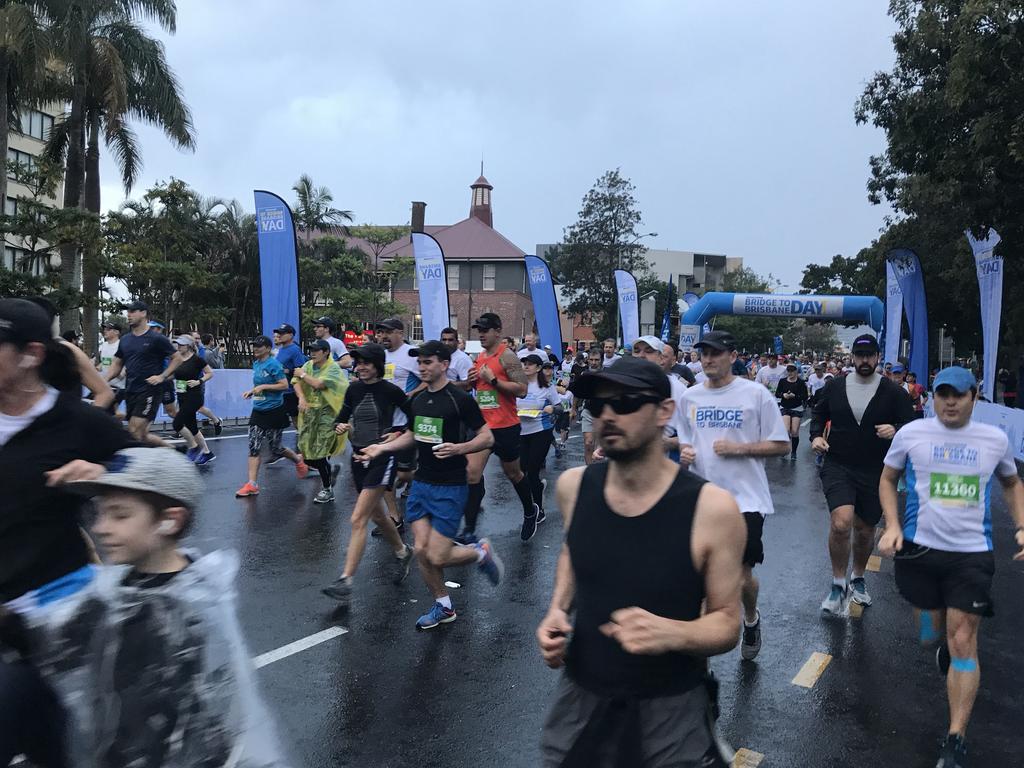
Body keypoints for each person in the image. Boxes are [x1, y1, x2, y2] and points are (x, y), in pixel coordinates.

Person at [537, 355, 746, 766]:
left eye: (627, 402)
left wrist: (672, 633)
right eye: (598, 406)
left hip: (670, 712)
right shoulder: (573, 487)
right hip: (579, 701)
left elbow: (726, 623)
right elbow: (573, 550)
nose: (609, 415)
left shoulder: (712, 509)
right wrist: (558, 610)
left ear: (664, 411)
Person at [39, 447, 289, 765]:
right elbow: (54, 643)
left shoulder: (190, 611)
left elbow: (211, 720)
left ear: (170, 521)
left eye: (120, 515)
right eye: (100, 513)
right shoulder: (116, 591)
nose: (100, 527)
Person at [0, 298, 133, 767]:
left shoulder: (78, 423)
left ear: (31, 354)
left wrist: (101, 472)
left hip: (52, 618)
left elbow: (164, 479)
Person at [877, 367, 1024, 768]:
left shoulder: (993, 439)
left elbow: (1011, 483)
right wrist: (892, 526)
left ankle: (955, 737)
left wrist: (1022, 525)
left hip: (971, 555)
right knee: (930, 633)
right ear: (933, 398)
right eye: (943, 394)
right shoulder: (912, 434)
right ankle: (939, 642)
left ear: (975, 397)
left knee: (963, 641)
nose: (950, 402)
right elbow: (888, 479)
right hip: (920, 552)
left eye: (958, 395)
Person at [354, 340, 503, 630]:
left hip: (451, 486)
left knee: (437, 554)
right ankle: (443, 605)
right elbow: (413, 434)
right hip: (422, 484)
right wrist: (380, 449)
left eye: (428, 362)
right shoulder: (417, 401)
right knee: (421, 550)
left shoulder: (459, 400)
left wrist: (459, 449)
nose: (422, 367)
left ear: (444, 364)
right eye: (419, 363)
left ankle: (480, 552)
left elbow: (487, 438)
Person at [677, 330, 790, 662]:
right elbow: (686, 440)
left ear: (732, 355)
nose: (708, 359)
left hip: (746, 502)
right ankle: (697, 667)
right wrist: (684, 451)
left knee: (740, 579)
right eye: (704, 353)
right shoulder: (690, 397)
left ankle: (751, 619)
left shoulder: (755, 395)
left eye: (715, 353)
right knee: (697, 580)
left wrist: (739, 448)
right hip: (701, 500)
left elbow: (781, 444)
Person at [811, 333, 916, 614]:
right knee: (842, 522)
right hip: (838, 464)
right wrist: (815, 437)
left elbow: (911, 422)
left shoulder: (893, 391)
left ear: (878, 358)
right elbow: (818, 414)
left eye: (870, 355)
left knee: (865, 528)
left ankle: (857, 578)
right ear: (853, 357)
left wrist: (896, 429)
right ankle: (837, 583)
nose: (865, 360)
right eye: (860, 355)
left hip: (876, 469)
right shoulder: (835, 386)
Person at [322, 343, 414, 605]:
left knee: (358, 519)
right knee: (376, 515)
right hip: (358, 456)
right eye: (357, 362)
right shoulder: (354, 389)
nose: (360, 367)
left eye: (366, 362)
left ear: (377, 365)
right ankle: (402, 551)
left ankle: (346, 580)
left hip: (383, 457)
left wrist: (396, 433)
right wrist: (340, 425)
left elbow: (415, 418)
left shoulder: (391, 391)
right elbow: (341, 416)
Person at [461, 312, 538, 542]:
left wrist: (493, 379)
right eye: (479, 330)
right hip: (484, 426)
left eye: (485, 330)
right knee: (472, 474)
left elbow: (522, 389)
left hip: (506, 426)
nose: (481, 334)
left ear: (498, 331)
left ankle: (529, 510)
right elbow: (472, 387)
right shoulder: (481, 356)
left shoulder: (508, 357)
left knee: (513, 473)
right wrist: (471, 379)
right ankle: (469, 531)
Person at [235, 336, 309, 497]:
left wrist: (263, 386)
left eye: (259, 347)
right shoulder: (257, 363)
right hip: (258, 410)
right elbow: (259, 384)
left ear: (268, 349)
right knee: (254, 445)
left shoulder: (274, 364)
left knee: (276, 447)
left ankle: (298, 460)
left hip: (275, 410)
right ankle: (252, 484)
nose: (255, 349)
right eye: (254, 346)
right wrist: (252, 390)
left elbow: (284, 385)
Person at [103, 301, 182, 444]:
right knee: (143, 435)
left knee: (134, 431)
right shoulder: (125, 339)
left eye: (133, 311)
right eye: (128, 312)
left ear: (143, 313)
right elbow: (117, 363)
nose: (128, 315)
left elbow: (177, 358)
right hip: (131, 389)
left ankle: (135, 464)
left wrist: (162, 376)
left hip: (150, 391)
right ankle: (171, 452)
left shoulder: (157, 338)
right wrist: (103, 381)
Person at [293, 339, 348, 503]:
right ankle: (329, 471)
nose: (312, 353)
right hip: (309, 416)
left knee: (319, 453)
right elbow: (296, 382)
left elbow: (318, 384)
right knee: (307, 455)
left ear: (326, 352)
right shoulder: (309, 365)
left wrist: (302, 374)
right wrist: (301, 397)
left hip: (328, 416)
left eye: (316, 350)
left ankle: (327, 489)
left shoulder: (333, 368)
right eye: (311, 350)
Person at [518, 354, 563, 523]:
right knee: (522, 472)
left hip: (541, 431)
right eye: (524, 364)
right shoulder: (518, 386)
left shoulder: (546, 386)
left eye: (530, 364)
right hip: (521, 432)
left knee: (532, 470)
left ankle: (539, 509)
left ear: (538, 368)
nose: (526, 367)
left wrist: (552, 408)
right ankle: (538, 490)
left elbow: (560, 407)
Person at [170, 334, 215, 465]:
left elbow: (210, 373)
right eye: (177, 344)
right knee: (192, 427)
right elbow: (172, 375)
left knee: (177, 424)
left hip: (194, 397)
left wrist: (198, 381)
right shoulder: (177, 359)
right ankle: (207, 453)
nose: (178, 346)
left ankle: (194, 448)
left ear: (189, 346)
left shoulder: (196, 360)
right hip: (182, 395)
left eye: (181, 344)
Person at [270, 323, 306, 444]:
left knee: (296, 420)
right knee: (276, 419)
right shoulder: (280, 350)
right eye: (278, 333)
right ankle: (276, 447)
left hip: (291, 391)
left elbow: (301, 369)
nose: (279, 335)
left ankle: (305, 445)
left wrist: (288, 371)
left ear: (290, 335)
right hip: (280, 391)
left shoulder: (295, 350)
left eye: (282, 333)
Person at [572, 347, 604, 466]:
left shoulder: (607, 374)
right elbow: (577, 392)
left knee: (599, 447)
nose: (594, 362)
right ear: (588, 360)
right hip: (588, 411)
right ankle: (589, 471)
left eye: (597, 360)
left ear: (601, 360)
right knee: (588, 443)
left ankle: (597, 471)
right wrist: (573, 409)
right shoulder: (584, 374)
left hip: (603, 414)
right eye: (591, 360)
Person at [775, 363, 809, 460]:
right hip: (785, 407)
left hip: (796, 407)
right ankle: (785, 449)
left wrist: (795, 396)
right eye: (788, 371)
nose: (790, 373)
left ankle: (794, 452)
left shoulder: (801, 382)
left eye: (792, 371)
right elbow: (777, 393)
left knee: (794, 431)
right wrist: (783, 395)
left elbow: (805, 396)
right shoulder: (782, 381)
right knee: (786, 430)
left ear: (796, 372)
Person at [97, 320, 126, 413]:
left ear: (117, 332)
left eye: (109, 329)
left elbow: (124, 364)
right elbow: (104, 362)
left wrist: (121, 373)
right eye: (104, 329)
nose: (105, 331)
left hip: (117, 387)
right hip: (105, 385)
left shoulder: (121, 346)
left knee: (104, 412)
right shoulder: (103, 345)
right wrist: (96, 368)